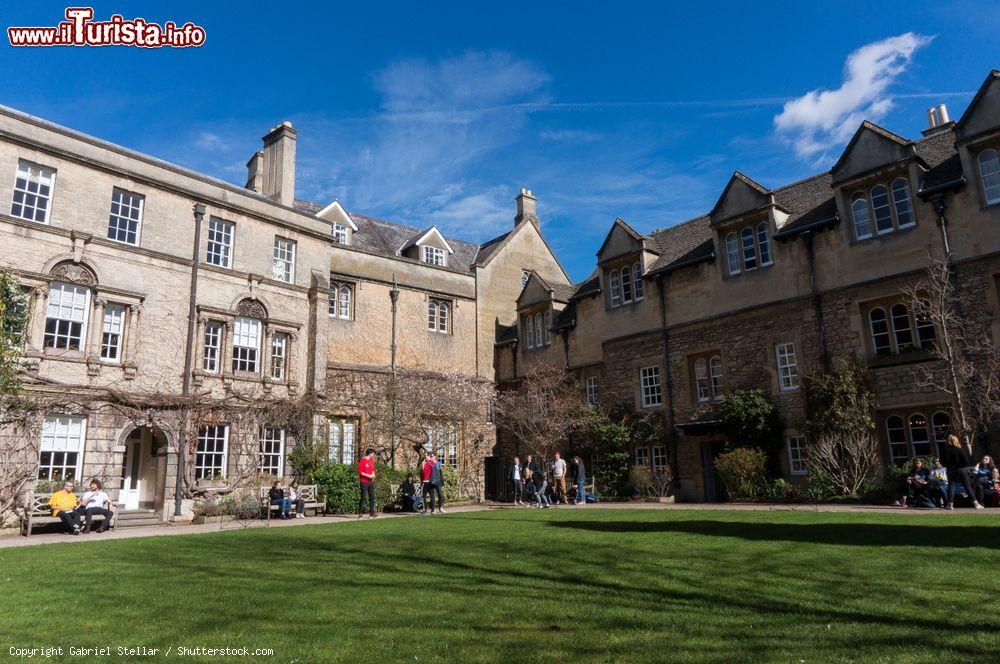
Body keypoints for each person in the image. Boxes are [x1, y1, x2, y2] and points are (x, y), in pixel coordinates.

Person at [940, 434, 984, 509]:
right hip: (960, 470)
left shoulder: (944, 450)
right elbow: (966, 462)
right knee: (967, 487)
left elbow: (942, 462)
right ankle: (975, 503)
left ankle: (950, 504)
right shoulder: (960, 450)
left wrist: (948, 465)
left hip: (950, 470)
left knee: (951, 487)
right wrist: (960, 466)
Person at [357, 448, 377, 518]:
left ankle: (372, 513)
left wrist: (373, 475)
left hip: (370, 482)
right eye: (373, 454)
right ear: (370, 453)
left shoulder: (371, 461)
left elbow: (372, 470)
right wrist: (368, 475)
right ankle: (360, 513)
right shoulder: (363, 461)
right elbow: (360, 472)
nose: (374, 455)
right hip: (364, 482)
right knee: (363, 497)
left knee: (372, 497)